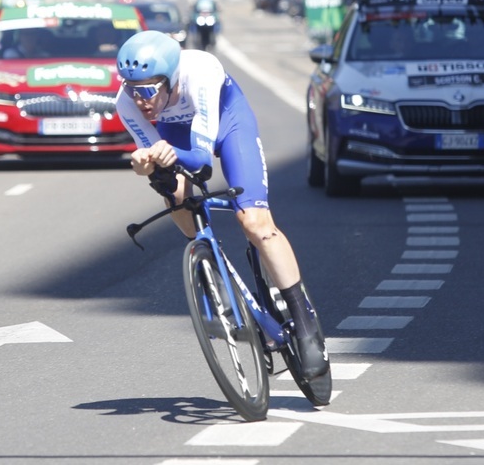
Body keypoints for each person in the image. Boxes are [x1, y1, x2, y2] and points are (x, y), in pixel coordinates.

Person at [114, 30, 330, 379]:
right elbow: (158, 159)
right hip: (177, 136)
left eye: (148, 90)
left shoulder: (200, 70)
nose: (139, 99)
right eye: (131, 88)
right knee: (175, 196)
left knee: (254, 222)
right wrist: (149, 167)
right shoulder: (126, 104)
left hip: (227, 124)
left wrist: (166, 156)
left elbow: (201, 161)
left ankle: (304, 322)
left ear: (170, 78)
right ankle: (211, 264)